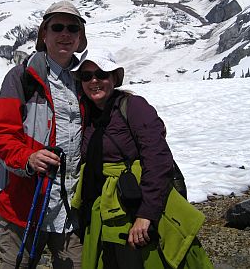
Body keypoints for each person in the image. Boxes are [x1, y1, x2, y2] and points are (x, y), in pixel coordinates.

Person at [71, 49, 213, 269]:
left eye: (101, 73)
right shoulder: (86, 115)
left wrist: (146, 215)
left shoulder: (134, 106)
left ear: (115, 77)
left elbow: (157, 159)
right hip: (103, 210)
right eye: (86, 76)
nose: (94, 80)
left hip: (133, 204)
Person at [0, 0, 87, 269]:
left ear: (80, 38)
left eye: (72, 28)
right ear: (43, 35)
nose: (65, 34)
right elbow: (0, 135)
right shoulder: (22, 77)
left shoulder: (87, 80)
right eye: (57, 27)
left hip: (69, 206)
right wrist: (28, 158)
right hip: (24, 202)